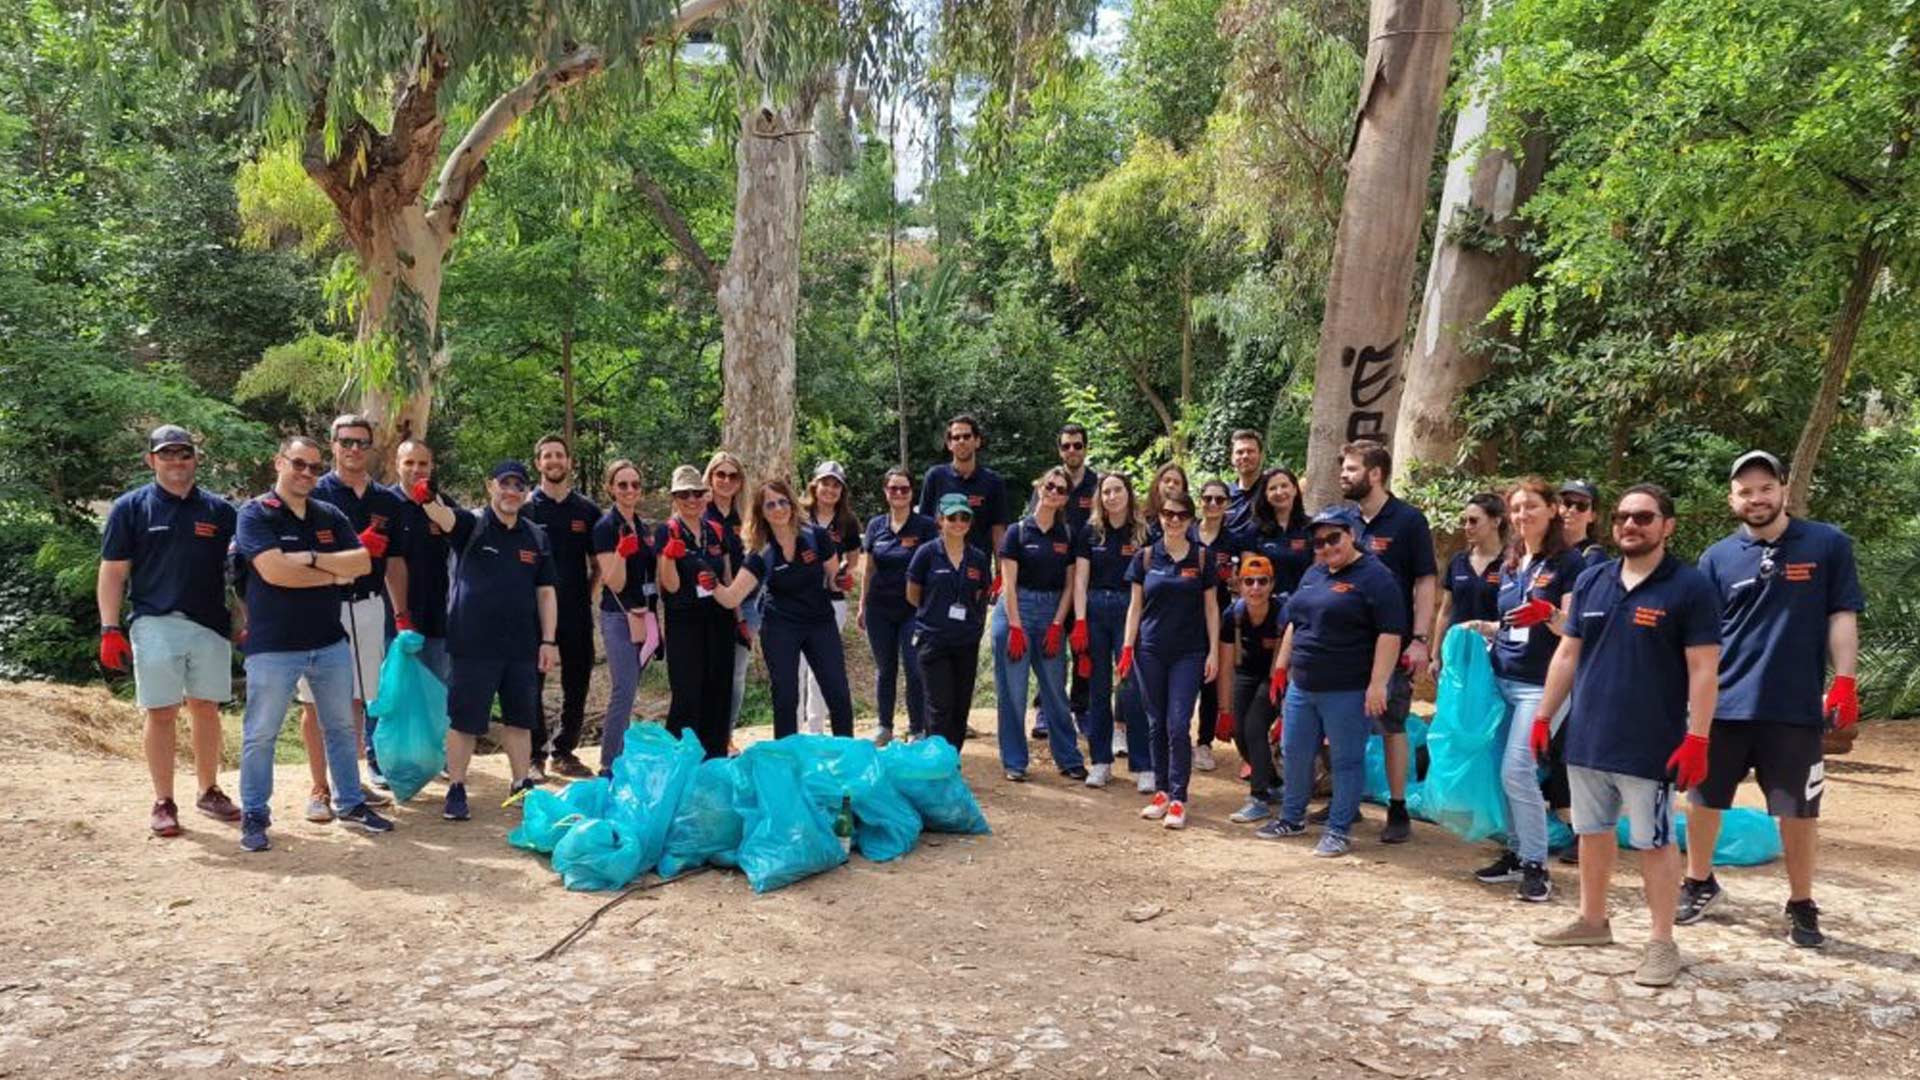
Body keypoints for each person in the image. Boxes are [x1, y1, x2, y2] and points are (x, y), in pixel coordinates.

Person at [1529, 484, 1720, 989]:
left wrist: (1698, 737)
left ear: (1667, 525)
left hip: (1650, 742)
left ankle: (1662, 942)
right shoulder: (1593, 581)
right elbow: (1568, 653)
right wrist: (1544, 716)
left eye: (1643, 517)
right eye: (1622, 517)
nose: (1630, 525)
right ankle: (1593, 920)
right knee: (1590, 833)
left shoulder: (1689, 587)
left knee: (1653, 842)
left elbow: (1703, 669)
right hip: (1589, 737)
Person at [1679, 450, 1863, 948]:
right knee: (1702, 800)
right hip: (1724, 705)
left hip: (1794, 707)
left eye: (1765, 488)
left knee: (1799, 810)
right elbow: (1702, 638)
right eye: (1745, 490)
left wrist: (1844, 680)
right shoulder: (1716, 558)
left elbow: (1841, 614)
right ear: (1731, 498)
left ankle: (1802, 903)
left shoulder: (1827, 544)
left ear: (1783, 489)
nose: (1756, 498)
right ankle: (1699, 881)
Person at [232, 436, 391, 851]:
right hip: (273, 645)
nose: (306, 474)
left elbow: (360, 562)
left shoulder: (329, 513)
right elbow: (273, 572)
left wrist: (311, 560)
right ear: (279, 462)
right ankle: (254, 813)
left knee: (340, 728)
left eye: (314, 468)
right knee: (261, 733)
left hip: (329, 641)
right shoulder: (255, 514)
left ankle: (351, 803)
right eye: (298, 464)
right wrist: (332, 573)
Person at [97, 424, 242, 836]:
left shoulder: (220, 511)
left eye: (183, 454)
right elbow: (112, 572)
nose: (176, 462)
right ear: (151, 460)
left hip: (210, 623)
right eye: (166, 454)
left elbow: (240, 572)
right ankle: (163, 800)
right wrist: (109, 627)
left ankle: (209, 789)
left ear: (195, 458)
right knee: (161, 710)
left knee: (206, 708)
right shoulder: (130, 508)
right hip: (154, 621)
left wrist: (245, 618)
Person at [1461, 479, 1584, 901]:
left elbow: (1574, 629)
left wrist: (1548, 612)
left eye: (1531, 506)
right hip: (1504, 680)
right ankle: (1516, 853)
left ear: (1552, 509)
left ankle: (1536, 864)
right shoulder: (1513, 561)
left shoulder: (1571, 563)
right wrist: (1484, 629)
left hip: (1543, 686)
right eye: (1515, 508)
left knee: (1519, 770)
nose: (1521, 515)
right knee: (1504, 772)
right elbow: (1512, 623)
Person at [1258, 507, 1406, 856]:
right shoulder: (1314, 573)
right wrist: (1282, 666)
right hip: (1303, 683)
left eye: (1333, 538)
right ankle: (1292, 817)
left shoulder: (1376, 577)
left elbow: (1390, 633)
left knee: (1346, 759)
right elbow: (1296, 621)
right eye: (1319, 542)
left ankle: (1339, 829)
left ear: (1351, 535)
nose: (1326, 547)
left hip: (1347, 687)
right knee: (1295, 751)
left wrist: (1378, 684)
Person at [430, 461, 561, 821]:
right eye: (505, 484)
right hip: (472, 645)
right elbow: (442, 517)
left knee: (521, 720)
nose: (512, 492)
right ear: (492, 486)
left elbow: (546, 592)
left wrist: (548, 640)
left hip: (521, 646)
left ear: (526, 493)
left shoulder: (535, 536)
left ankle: (521, 785)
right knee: (465, 720)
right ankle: (457, 788)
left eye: (519, 486)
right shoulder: (472, 524)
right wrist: (426, 492)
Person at [297, 414, 400, 818]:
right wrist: (353, 553)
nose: (354, 449)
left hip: (370, 605)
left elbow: (396, 563)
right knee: (316, 701)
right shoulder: (314, 494)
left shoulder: (386, 501)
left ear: (371, 447)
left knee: (357, 699)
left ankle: (348, 779)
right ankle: (319, 787)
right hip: (321, 604)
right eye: (346, 442)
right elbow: (300, 560)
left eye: (361, 442)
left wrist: (402, 611)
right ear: (333, 445)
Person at [1339, 439, 1436, 844]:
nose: (1343, 475)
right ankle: (1346, 802)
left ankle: (1398, 809)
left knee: (1391, 722)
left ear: (1375, 474)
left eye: (1350, 469)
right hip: (1348, 640)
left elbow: (1426, 581)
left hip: (1393, 641)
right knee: (1345, 721)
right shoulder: (1345, 520)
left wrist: (1419, 639)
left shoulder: (1409, 521)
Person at [710, 479, 856, 738]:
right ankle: (786, 761)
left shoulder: (816, 537)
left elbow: (835, 580)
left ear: (791, 504)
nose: (778, 509)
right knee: (786, 696)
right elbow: (731, 598)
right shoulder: (760, 553)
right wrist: (710, 581)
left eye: (782, 502)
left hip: (819, 621)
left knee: (838, 692)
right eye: (770, 505)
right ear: (761, 512)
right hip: (781, 626)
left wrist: (843, 579)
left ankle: (849, 757)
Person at [1121, 492, 1220, 830]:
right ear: (1159, 517)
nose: (1174, 520)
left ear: (1191, 519)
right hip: (1149, 650)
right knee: (1155, 722)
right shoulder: (1146, 557)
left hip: (1189, 653)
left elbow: (1211, 608)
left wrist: (1214, 652)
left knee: (1178, 724)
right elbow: (1135, 607)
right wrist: (1126, 647)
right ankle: (1161, 791)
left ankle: (1179, 796)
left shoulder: (1203, 558)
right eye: (1167, 513)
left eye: (1181, 514)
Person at [993, 466, 1086, 782]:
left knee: (1055, 691)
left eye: (1061, 490)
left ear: (1065, 499)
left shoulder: (1068, 536)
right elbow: (1008, 583)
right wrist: (1016, 627)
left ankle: (1069, 758)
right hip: (1016, 609)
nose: (1054, 493)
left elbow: (1071, 585)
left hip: (1051, 613)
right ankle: (1015, 761)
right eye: (1050, 486)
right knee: (1014, 693)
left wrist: (1058, 624)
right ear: (1039, 487)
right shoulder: (1017, 532)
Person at [524, 435, 600, 780]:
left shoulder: (587, 510)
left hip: (576, 610)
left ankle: (564, 750)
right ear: (538, 463)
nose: (554, 461)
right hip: (532, 613)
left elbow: (599, 560)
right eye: (547, 456)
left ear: (568, 462)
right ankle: (534, 752)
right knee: (530, 683)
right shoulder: (526, 508)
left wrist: (590, 592)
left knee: (577, 681)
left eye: (559, 455)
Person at [656, 465, 742, 759]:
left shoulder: (717, 530)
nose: (691, 500)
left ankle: (715, 756)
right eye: (684, 494)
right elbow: (669, 585)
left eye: (696, 493)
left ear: (705, 496)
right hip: (684, 621)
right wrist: (669, 556)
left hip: (719, 618)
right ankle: (681, 759)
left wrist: (739, 618)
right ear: (675, 498)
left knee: (719, 688)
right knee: (688, 691)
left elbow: (728, 575)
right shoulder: (667, 530)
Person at [1073, 472, 1150, 791]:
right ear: (1099, 498)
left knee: (1132, 689)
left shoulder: (1144, 532)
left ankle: (1144, 766)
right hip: (1095, 609)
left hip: (1129, 612)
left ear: (1128, 494)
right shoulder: (1090, 532)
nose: (1112, 497)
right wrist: (1079, 621)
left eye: (1118, 490)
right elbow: (1079, 579)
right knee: (1098, 689)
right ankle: (1101, 761)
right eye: (1106, 492)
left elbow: (1148, 581)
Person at [1025, 424, 1100, 738]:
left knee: (1085, 649)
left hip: (1088, 579)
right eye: (1067, 445)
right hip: (1053, 579)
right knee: (1050, 649)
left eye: (1077, 445)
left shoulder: (1097, 483)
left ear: (1085, 447)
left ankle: (1080, 708)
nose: (1072, 450)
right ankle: (1045, 709)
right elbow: (1032, 524)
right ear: (1059, 449)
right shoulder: (1049, 483)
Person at [907, 494, 995, 749]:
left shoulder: (977, 557)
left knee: (960, 706)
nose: (958, 522)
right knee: (939, 706)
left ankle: (952, 761)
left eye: (964, 517)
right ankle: (936, 762)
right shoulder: (926, 553)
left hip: (965, 641)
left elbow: (981, 593)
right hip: (933, 640)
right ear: (940, 520)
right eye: (952, 517)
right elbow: (913, 594)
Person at [859, 468, 939, 745]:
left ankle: (917, 728)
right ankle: (884, 726)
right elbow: (868, 569)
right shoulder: (875, 526)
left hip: (913, 609)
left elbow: (932, 568)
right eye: (893, 488)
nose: (899, 494)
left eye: (904, 489)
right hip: (878, 609)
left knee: (915, 668)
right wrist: (861, 605)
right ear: (885, 492)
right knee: (885, 669)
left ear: (911, 493)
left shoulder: (926, 526)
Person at [591, 460, 657, 773]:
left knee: (631, 689)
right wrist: (620, 552)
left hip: (643, 616)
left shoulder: (643, 528)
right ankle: (608, 764)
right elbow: (613, 581)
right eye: (622, 485)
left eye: (635, 485)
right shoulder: (605, 528)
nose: (629, 490)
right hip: (617, 616)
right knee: (624, 689)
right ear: (610, 488)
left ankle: (622, 756)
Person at [1219, 555, 1287, 825]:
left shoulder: (1282, 613)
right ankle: (1272, 781)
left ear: (1271, 585)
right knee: (1238, 729)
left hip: (1274, 676)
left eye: (1262, 581)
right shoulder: (1232, 615)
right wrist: (1224, 710)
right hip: (1244, 673)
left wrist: (1282, 710)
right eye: (1249, 581)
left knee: (1255, 726)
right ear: (1240, 585)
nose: (1255, 588)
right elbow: (1225, 666)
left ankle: (1259, 797)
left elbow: (1283, 661)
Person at [799, 461, 862, 735]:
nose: (830, 489)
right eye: (826, 483)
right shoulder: (799, 515)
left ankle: (815, 730)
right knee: (795, 668)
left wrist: (844, 576)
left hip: (832, 602)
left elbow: (853, 559)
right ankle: (791, 732)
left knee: (819, 670)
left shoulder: (847, 521)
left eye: (836, 485)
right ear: (815, 485)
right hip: (798, 601)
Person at [387, 438, 456, 682]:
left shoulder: (443, 504)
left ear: (431, 466)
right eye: (409, 462)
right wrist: (400, 616)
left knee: (436, 697)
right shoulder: (383, 503)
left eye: (423, 463)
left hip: (436, 620)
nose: (417, 469)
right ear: (397, 465)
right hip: (391, 622)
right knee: (391, 700)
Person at [1192, 478, 1246, 773]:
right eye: (1207, 498)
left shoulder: (1234, 540)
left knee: (1211, 679)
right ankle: (1176, 739)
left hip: (1222, 617)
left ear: (1228, 504)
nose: (1212, 504)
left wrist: (1236, 581)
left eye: (1219, 500)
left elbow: (1245, 579)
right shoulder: (1186, 531)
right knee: (1185, 679)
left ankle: (1203, 742)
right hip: (1186, 617)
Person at [705, 451, 757, 738]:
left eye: (732, 476)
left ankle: (725, 737)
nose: (726, 480)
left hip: (747, 605)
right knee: (708, 673)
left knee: (736, 675)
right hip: (707, 606)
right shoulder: (698, 510)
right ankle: (705, 736)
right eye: (720, 474)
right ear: (711, 477)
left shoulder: (747, 518)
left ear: (740, 482)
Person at [1430, 492, 1507, 674]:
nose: (1467, 527)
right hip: (1457, 653)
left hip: (1495, 657)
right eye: (1465, 521)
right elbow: (1446, 611)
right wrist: (1435, 655)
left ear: (1495, 522)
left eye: (1473, 521)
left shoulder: (1511, 563)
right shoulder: (1458, 561)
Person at [917, 414, 1008, 556]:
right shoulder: (935, 476)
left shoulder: (993, 481)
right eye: (956, 437)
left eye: (967, 436)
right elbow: (924, 524)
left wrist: (1000, 571)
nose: (961, 441)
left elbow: (998, 529)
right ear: (949, 444)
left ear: (977, 441)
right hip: (938, 564)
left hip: (978, 566)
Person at [1245, 467, 1311, 594]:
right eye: (1272, 488)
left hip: (1304, 604)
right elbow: (1249, 577)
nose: (1279, 492)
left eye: (1284, 486)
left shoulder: (1311, 527)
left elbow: (1319, 572)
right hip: (1266, 605)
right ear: (1265, 495)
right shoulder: (1254, 531)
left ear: (1295, 490)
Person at [1559, 480, 1609, 570]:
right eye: (1567, 503)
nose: (1572, 510)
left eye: (1582, 505)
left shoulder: (1594, 557)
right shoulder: (1543, 549)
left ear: (1592, 516)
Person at [1225, 429, 1266, 533]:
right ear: (1232, 458)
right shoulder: (1223, 496)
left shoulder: (1271, 490)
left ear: (1261, 456)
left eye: (1250, 451)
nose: (1245, 456)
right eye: (1240, 452)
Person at [1141, 462, 1191, 542]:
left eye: (1176, 483)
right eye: (1167, 481)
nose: (1171, 485)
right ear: (1157, 484)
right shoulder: (1141, 519)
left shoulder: (1189, 521)